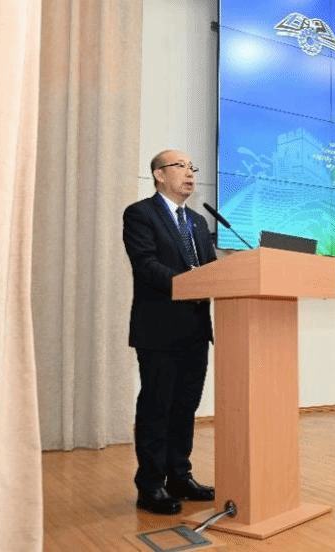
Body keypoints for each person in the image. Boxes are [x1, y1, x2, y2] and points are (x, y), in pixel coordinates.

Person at [123, 149, 217, 515]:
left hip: (195, 330)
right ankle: (150, 485)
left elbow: (211, 271)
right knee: (157, 408)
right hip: (159, 329)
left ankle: (180, 476)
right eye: (181, 166)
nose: (190, 173)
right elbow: (145, 264)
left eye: (192, 167)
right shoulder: (140, 214)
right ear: (159, 175)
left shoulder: (197, 221)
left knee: (184, 407)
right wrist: (188, 284)